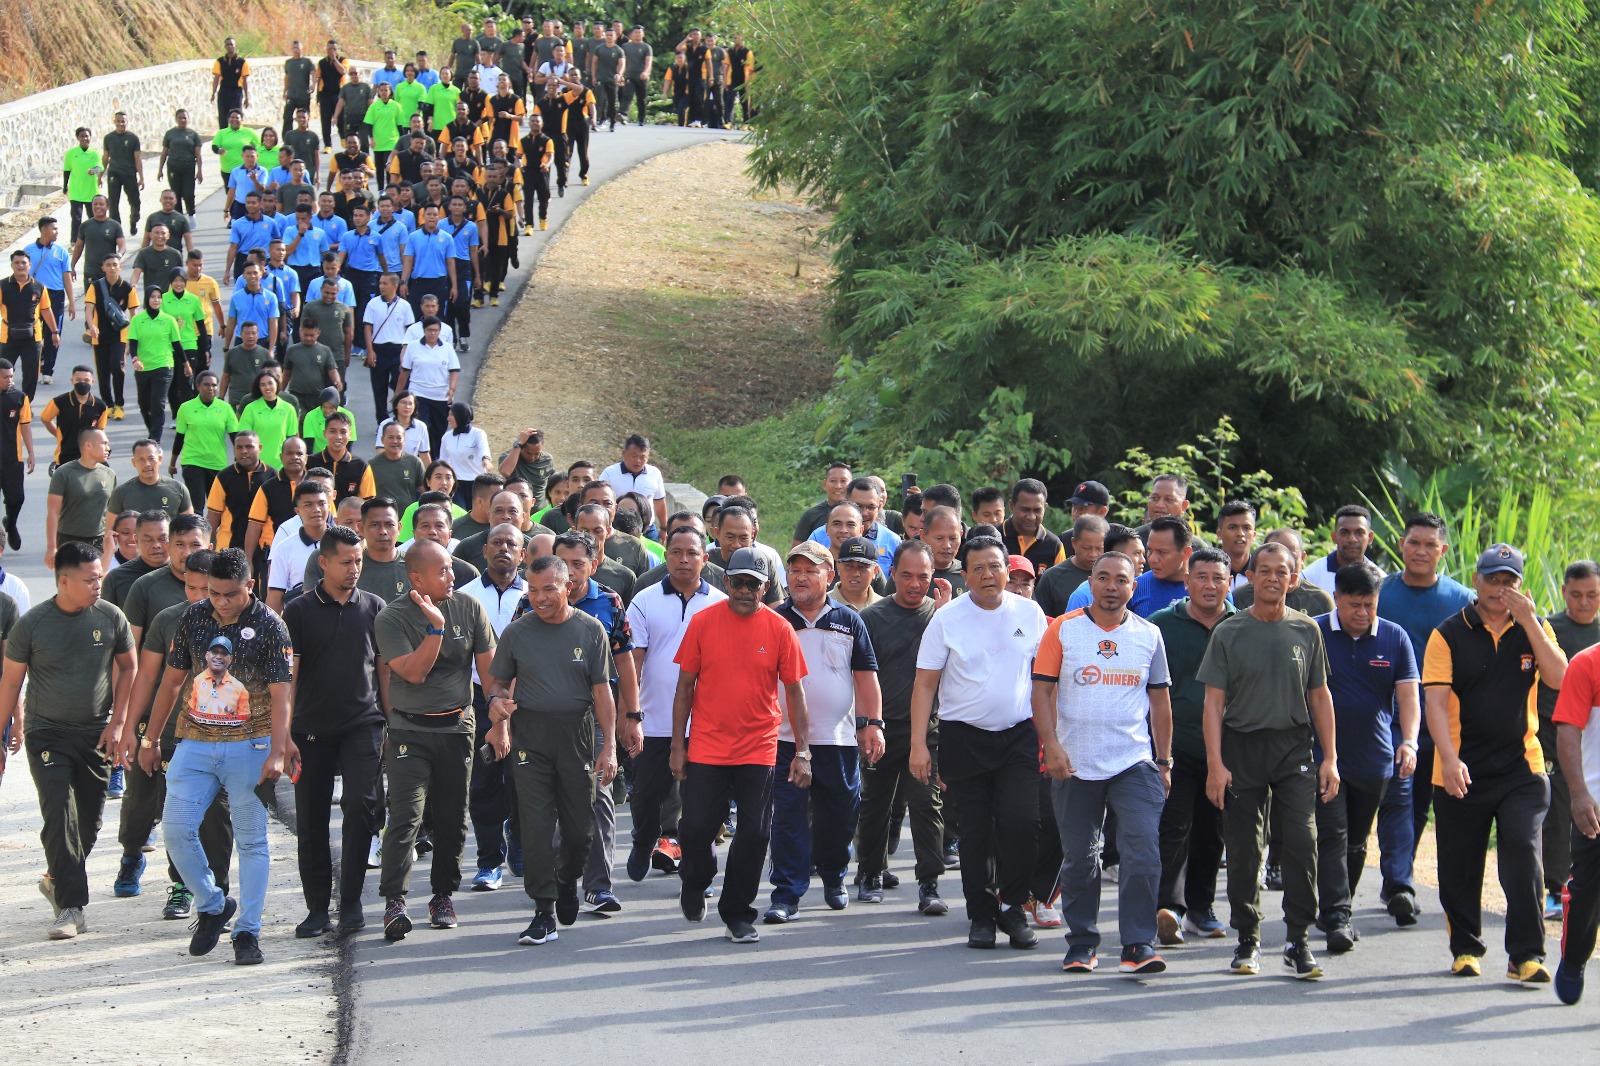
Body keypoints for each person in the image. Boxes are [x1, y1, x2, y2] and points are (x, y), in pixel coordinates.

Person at [140, 547, 293, 966]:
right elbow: (171, 681)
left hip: (250, 747)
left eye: (230, 594)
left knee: (251, 841)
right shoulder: (193, 616)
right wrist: (151, 739)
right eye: (214, 593)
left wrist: (277, 752)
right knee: (175, 831)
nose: (221, 602)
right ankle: (211, 903)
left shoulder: (271, 626)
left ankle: (248, 932)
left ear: (250, 585)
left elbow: (282, 696)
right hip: (194, 743)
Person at [1424, 543, 1565, 981]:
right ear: (1476, 581)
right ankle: (1466, 949)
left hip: (1522, 767)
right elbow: (1435, 701)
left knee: (1523, 853)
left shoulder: (1534, 627)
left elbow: (1560, 678)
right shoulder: (1447, 633)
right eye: (1492, 579)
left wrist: (1529, 622)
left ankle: (1526, 955)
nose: (1499, 589)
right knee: (1460, 864)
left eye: (1509, 582)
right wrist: (1448, 760)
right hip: (1459, 769)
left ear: (1520, 587)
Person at [1199, 540, 1339, 980]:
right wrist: (1215, 763)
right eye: (1265, 571)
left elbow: (1320, 695)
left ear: (1293, 578)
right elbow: (1212, 704)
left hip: (1293, 748)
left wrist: (1330, 757)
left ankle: (1298, 939)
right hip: (1242, 748)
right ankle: (1247, 939)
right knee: (1243, 849)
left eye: (1283, 571)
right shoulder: (1229, 631)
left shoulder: (1307, 630)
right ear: (1252, 577)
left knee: (1301, 840)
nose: (1274, 578)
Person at [1033, 551, 1173, 974]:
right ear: (1090, 583)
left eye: (1122, 580)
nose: (1112, 586)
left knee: (1143, 852)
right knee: (1080, 858)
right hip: (1074, 763)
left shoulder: (1149, 635)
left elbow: (1160, 703)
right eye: (1104, 578)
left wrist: (1164, 761)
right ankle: (1081, 943)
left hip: (1133, 761)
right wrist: (1052, 747)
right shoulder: (1063, 629)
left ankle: (1137, 945)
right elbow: (1040, 693)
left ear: (1135, 586)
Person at [910, 535, 1047, 951]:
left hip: (1020, 735)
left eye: (995, 566)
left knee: (1022, 822)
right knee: (975, 833)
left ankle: (1014, 907)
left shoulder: (1031, 612)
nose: (988, 575)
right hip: (963, 737)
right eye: (978, 569)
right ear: (965, 574)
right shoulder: (947, 618)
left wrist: (1054, 736)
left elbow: (1045, 681)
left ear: (1008, 570)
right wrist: (919, 745)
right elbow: (924, 685)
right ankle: (982, 916)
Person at [669, 547, 810, 942]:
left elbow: (795, 693)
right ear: (726, 582)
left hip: (758, 747)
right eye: (739, 582)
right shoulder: (702, 622)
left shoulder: (780, 629)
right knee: (696, 828)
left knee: (756, 833)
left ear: (766, 587)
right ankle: (695, 881)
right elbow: (684, 688)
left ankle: (737, 913)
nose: (745, 591)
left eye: (754, 584)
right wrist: (678, 746)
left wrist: (802, 751)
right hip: (708, 746)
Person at [0, 541, 136, 939]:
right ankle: (71, 908)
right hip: (47, 731)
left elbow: (129, 668)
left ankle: (56, 878)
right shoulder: (33, 624)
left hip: (95, 733)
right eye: (90, 579)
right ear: (63, 580)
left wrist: (118, 721)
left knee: (89, 823)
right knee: (58, 811)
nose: (98, 584)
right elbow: (10, 681)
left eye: (100, 577)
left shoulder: (111, 617)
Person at [483, 553, 617, 944]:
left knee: (579, 831)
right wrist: (496, 707)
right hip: (531, 737)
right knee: (537, 827)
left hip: (576, 735)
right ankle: (543, 910)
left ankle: (566, 878)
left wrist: (608, 747)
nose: (539, 598)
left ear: (568, 587)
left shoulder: (591, 630)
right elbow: (496, 684)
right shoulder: (518, 632)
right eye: (534, 589)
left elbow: (603, 693)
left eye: (549, 589)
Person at [374, 538, 497, 941]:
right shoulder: (392, 618)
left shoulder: (469, 606)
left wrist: (499, 711)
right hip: (411, 729)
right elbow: (412, 672)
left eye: (451, 567)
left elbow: (490, 671)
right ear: (416, 578)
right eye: (442, 570)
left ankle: (442, 895)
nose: (453, 575)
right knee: (406, 816)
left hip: (457, 728)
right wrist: (435, 630)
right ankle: (395, 900)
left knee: (451, 817)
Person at [761, 542, 882, 923]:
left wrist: (872, 725)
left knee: (839, 816)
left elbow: (866, 678)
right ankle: (786, 894)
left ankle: (833, 875)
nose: (800, 577)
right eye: (794, 570)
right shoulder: (776, 619)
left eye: (810, 570)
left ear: (829, 576)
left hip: (839, 739)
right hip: (785, 739)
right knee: (788, 818)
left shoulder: (849, 620)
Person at [1307, 562, 1421, 957]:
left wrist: (1409, 741)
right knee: (1333, 834)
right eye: (1353, 604)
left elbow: (1408, 697)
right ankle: (1337, 917)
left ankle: (1339, 907)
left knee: (1357, 841)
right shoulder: (1314, 633)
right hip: (1323, 756)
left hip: (1375, 760)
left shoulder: (1394, 637)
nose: (1361, 613)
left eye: (1369, 605)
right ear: (1336, 598)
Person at [118, 545, 235, 916]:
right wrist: (131, 731)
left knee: (209, 818)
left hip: (218, 739)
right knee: (146, 807)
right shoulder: (171, 620)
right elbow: (149, 676)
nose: (200, 598)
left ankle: (198, 890)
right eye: (193, 589)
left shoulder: (242, 622)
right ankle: (131, 852)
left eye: (209, 590)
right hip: (167, 732)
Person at [282, 523, 386, 937]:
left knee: (362, 808)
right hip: (310, 730)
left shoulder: (375, 607)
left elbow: (383, 671)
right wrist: (284, 733)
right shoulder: (299, 610)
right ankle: (317, 909)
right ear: (323, 562)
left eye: (358, 560)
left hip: (363, 724)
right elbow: (289, 676)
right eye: (346, 562)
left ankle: (352, 901)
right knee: (311, 821)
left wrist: (391, 723)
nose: (354, 568)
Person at [1375, 511, 1474, 925]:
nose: (1421, 551)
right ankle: (1399, 883)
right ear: (1401, 544)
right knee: (1399, 793)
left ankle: (1399, 876)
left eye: (1430, 545)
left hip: (1443, 720)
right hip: (1388, 717)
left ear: (1443, 551)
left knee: (1419, 803)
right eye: (1414, 542)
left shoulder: (1462, 600)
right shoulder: (1381, 592)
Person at [856, 540, 951, 913]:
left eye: (923, 577)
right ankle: (871, 873)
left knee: (927, 805)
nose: (915, 584)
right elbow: (860, 678)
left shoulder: (942, 616)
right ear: (891, 573)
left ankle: (929, 884)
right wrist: (867, 725)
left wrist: (943, 615)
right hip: (882, 726)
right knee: (875, 803)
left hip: (926, 730)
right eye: (907, 575)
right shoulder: (871, 619)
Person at [1149, 546, 1234, 945]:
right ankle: (1169, 909)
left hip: (1227, 750)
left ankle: (1202, 908)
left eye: (1218, 578)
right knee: (1174, 827)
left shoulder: (1240, 626)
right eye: (1201, 577)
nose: (1209, 585)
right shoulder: (1161, 625)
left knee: (1213, 832)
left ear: (1229, 584)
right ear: (1187, 582)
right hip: (1176, 745)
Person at [1541, 562, 1600, 919]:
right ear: (1564, 592)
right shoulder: (1551, 629)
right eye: (1576, 595)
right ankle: (1554, 888)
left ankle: (1582, 886)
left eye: (1592, 595)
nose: (1583, 602)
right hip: (1553, 735)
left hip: (1592, 742)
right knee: (1559, 812)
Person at [1553, 635, 1600, 1004]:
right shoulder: (1586, 664)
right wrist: (1579, 793)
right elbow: (1568, 729)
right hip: (1596, 805)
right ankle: (1574, 959)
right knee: (1587, 892)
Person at [45, 426, 115, 566]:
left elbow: (111, 512)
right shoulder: (64, 473)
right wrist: (52, 548)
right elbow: (53, 512)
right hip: (68, 540)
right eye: (104, 443)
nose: (108, 448)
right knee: (69, 585)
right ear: (88, 445)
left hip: (98, 542)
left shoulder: (109, 474)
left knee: (96, 585)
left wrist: (111, 544)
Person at [171, 372, 240, 507]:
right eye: (206, 385)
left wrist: (240, 463)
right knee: (196, 505)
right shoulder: (186, 408)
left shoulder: (225, 408)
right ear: (197, 386)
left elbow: (236, 438)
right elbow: (179, 437)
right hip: (193, 461)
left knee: (217, 506)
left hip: (217, 463)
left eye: (214, 385)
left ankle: (214, 529)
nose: (211, 388)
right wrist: (172, 464)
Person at [2, 248, 61, 401]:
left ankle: (26, 404)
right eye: (17, 262)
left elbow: (46, 310)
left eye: (23, 263)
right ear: (12, 265)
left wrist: (55, 332)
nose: (20, 265)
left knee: (31, 372)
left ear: (30, 265)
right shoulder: (3, 285)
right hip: (7, 336)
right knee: (4, 371)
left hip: (32, 336)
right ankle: (5, 403)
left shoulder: (39, 286)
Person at [125, 286, 180, 443]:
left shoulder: (169, 320)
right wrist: (135, 359)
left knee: (158, 404)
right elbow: (133, 343)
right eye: (153, 297)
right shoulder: (137, 320)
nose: (156, 300)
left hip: (164, 365)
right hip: (143, 367)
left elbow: (177, 345)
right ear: (147, 299)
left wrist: (185, 364)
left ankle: (155, 440)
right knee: (144, 405)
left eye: (159, 297)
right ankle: (153, 433)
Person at [1303, 505, 1384, 595]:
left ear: (1370, 537)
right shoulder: (1310, 576)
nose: (1352, 539)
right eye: (1344, 533)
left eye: (1359, 533)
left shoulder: (1382, 581)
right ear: (1334, 537)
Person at [39, 366, 108, 467]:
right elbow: (45, 418)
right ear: (72, 381)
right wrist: (58, 434)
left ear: (92, 381)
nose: (82, 383)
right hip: (65, 456)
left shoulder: (100, 406)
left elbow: (100, 430)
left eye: (86, 380)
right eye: (78, 380)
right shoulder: (59, 402)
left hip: (90, 457)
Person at [0, 359, 34, 548]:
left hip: (13, 459)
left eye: (11, 376)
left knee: (16, 498)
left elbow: (26, 426)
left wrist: (31, 452)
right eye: (5, 377)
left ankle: (10, 523)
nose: (10, 380)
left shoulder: (19, 397)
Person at [1003, 478, 1065, 576]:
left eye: (1037, 510)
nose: (1031, 517)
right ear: (1011, 506)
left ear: (1045, 508)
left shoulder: (1054, 546)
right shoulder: (994, 538)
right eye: (1025, 510)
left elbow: (1059, 585)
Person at [439, 402, 490, 499]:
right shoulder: (446, 437)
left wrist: (485, 459)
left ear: (461, 415)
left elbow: (483, 448)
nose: (448, 418)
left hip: (476, 482)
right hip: (456, 482)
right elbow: (443, 460)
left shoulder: (478, 434)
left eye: (452, 415)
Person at [64, 128, 104, 243]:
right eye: (82, 136)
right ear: (78, 138)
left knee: (93, 217)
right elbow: (67, 170)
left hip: (91, 192)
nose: (85, 139)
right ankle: (74, 241)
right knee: (76, 218)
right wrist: (65, 186)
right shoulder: (71, 153)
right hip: (76, 191)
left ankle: (94, 239)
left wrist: (93, 170)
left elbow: (100, 167)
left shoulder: (94, 153)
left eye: (87, 136)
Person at [211, 38, 252, 128]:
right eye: (228, 44)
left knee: (236, 116)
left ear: (235, 46)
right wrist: (213, 93)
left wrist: (246, 97)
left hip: (236, 92)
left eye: (231, 44)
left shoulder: (242, 62)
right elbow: (216, 78)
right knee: (223, 117)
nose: (230, 46)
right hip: (223, 92)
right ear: (225, 46)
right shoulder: (220, 61)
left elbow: (245, 81)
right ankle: (223, 139)